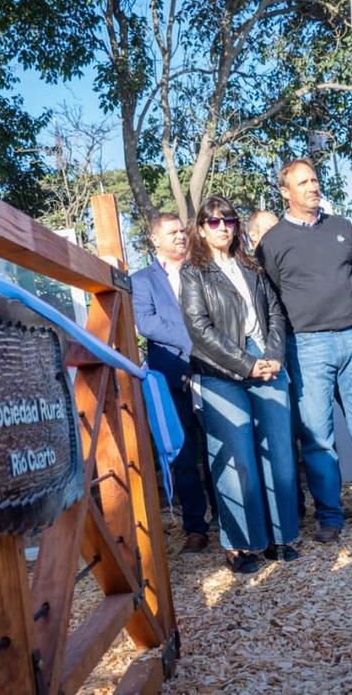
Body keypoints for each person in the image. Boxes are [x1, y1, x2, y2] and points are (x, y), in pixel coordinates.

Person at [257, 159, 352, 541]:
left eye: (314, 179)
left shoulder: (342, 227)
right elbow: (272, 298)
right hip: (307, 345)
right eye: (303, 182)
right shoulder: (273, 241)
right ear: (285, 192)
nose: (313, 186)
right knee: (317, 438)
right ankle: (330, 516)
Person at [179, 196, 299, 573]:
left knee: (279, 452)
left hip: (267, 358)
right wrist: (248, 365)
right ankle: (242, 545)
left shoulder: (252, 266)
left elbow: (276, 313)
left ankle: (280, 537)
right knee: (238, 458)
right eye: (213, 222)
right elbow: (199, 330)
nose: (222, 227)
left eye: (228, 220)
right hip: (221, 370)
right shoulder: (193, 272)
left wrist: (274, 356)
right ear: (201, 228)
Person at [131, 213, 216, 553]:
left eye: (183, 230)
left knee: (220, 448)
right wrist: (196, 340)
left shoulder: (203, 270)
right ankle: (195, 527)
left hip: (212, 372)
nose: (182, 236)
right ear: (155, 239)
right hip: (171, 377)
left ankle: (230, 522)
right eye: (173, 232)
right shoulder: (141, 280)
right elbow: (147, 324)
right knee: (183, 455)